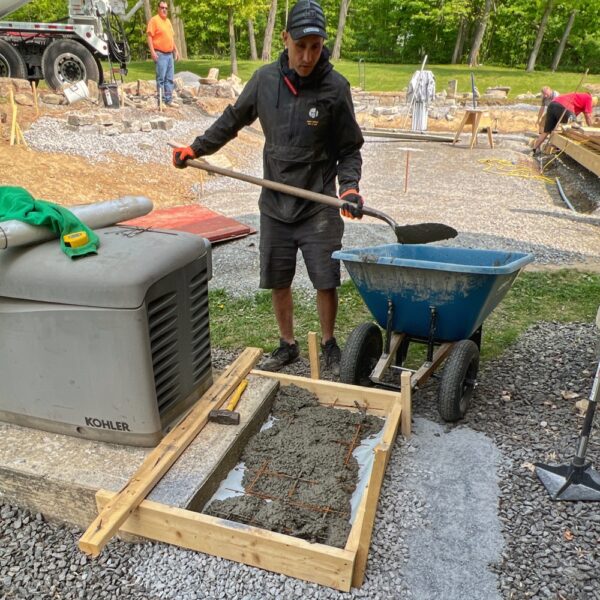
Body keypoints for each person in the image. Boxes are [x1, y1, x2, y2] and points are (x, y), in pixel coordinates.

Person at [172, 0, 364, 374]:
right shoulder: (264, 81)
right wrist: (196, 147)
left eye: (315, 47)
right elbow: (231, 120)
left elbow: (349, 148)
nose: (307, 56)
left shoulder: (335, 88)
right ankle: (287, 344)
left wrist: (350, 188)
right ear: (285, 39)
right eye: (300, 46)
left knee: (326, 279)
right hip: (275, 201)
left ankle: (329, 342)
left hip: (318, 203)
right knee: (279, 278)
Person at [532, 92, 598, 154]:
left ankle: (535, 149)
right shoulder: (588, 98)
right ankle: (561, 147)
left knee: (547, 131)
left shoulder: (580, 99)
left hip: (552, 105)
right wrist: (591, 129)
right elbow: (588, 117)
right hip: (564, 106)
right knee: (573, 127)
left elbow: (571, 116)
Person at [147, 1, 179, 108]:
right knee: (161, 78)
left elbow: (171, 37)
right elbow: (149, 36)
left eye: (166, 8)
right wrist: (152, 52)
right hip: (160, 53)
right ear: (158, 8)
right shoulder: (154, 20)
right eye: (162, 7)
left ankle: (169, 100)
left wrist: (176, 50)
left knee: (169, 79)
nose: (164, 9)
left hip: (169, 54)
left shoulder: (168, 21)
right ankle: (161, 101)